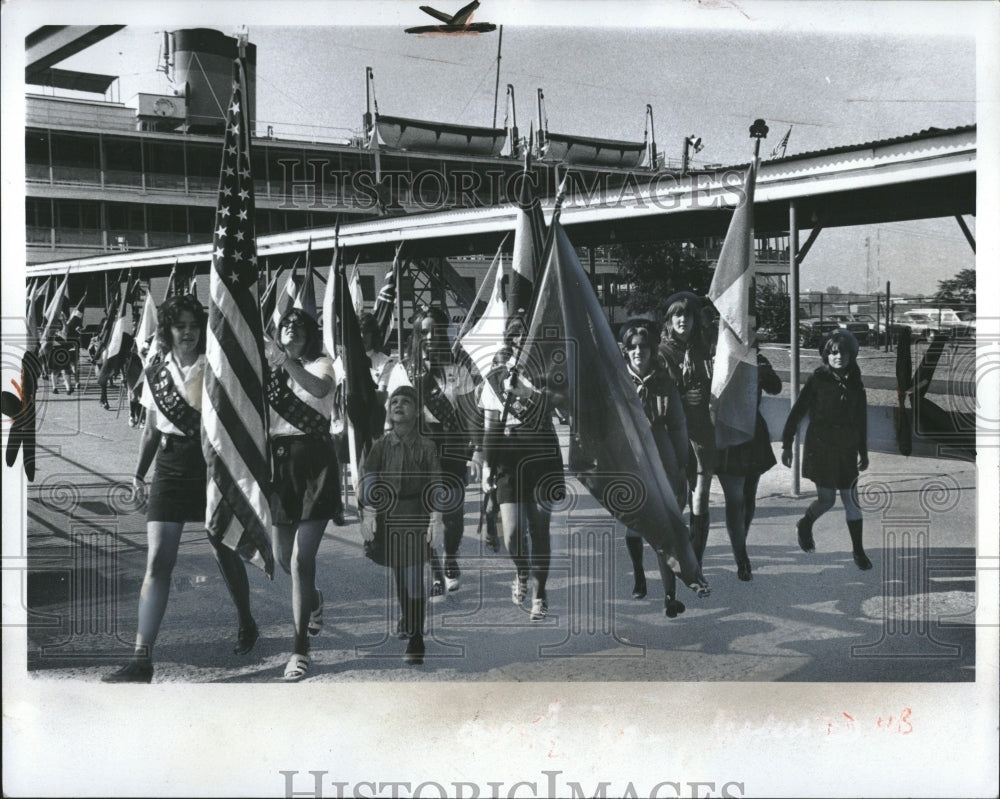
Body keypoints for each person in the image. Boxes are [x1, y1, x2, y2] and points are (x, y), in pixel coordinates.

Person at [103, 295, 260, 683]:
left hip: (209, 465)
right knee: (158, 562)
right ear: (168, 329)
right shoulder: (155, 373)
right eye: (180, 326)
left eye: (193, 325)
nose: (187, 332)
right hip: (171, 469)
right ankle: (142, 659)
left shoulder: (217, 369)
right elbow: (152, 429)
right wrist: (138, 475)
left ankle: (246, 619)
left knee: (224, 550)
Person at [265, 308, 344, 681]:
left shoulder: (323, 364)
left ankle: (299, 648)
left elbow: (320, 390)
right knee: (284, 559)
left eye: (298, 326)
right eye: (285, 325)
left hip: (316, 464)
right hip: (281, 467)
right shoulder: (272, 374)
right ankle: (313, 600)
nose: (290, 330)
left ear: (310, 334)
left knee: (300, 561)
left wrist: (286, 362)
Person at [385, 305, 483, 596]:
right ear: (416, 335)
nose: (430, 336)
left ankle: (450, 556)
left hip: (452, 445)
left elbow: (470, 414)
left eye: (436, 331)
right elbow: (394, 414)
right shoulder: (403, 369)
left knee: (452, 512)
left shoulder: (458, 369)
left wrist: (477, 451)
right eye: (423, 331)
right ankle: (436, 569)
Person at [480, 314, 566, 621]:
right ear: (510, 342)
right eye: (517, 339)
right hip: (510, 455)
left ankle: (540, 594)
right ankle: (521, 571)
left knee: (539, 528)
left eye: (527, 339)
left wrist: (528, 393)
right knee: (513, 534)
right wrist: (487, 466)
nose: (522, 344)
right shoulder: (496, 375)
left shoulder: (548, 373)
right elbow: (490, 425)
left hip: (542, 453)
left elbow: (564, 407)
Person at [359, 385, 445, 665]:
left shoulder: (427, 446)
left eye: (406, 402)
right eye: (394, 401)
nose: (398, 405)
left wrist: (436, 518)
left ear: (417, 410)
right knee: (399, 572)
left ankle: (416, 638)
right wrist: (369, 513)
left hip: (415, 514)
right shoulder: (381, 444)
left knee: (412, 575)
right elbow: (370, 476)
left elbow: (435, 484)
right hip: (388, 515)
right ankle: (408, 616)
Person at [781, 328, 872, 570]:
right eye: (832, 353)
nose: (838, 357)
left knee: (852, 499)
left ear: (851, 355)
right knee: (827, 500)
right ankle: (805, 524)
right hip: (821, 446)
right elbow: (797, 412)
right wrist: (787, 444)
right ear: (825, 356)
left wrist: (863, 451)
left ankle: (858, 551)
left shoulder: (856, 382)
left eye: (843, 353)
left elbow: (861, 418)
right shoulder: (817, 380)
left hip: (847, 447)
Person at [619, 320, 689, 616]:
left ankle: (669, 597)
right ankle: (638, 573)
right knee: (634, 524)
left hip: (663, 460)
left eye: (643, 346)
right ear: (625, 351)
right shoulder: (618, 382)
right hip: (631, 462)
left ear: (651, 350)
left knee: (666, 529)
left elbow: (677, 425)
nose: (638, 352)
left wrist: (683, 464)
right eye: (632, 347)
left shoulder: (664, 382)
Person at [714, 347, 782, 581]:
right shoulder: (718, 360)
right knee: (734, 499)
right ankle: (741, 557)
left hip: (753, 433)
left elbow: (776, 387)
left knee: (748, 498)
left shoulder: (758, 360)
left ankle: (740, 543)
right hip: (727, 433)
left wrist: (760, 371)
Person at [658, 292, 716, 565]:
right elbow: (657, 395)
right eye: (677, 315)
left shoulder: (703, 349)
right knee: (677, 498)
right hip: (673, 434)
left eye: (688, 314)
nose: (683, 320)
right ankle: (673, 552)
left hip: (701, 429)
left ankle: (697, 559)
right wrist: (682, 398)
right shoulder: (661, 353)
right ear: (669, 320)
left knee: (701, 494)